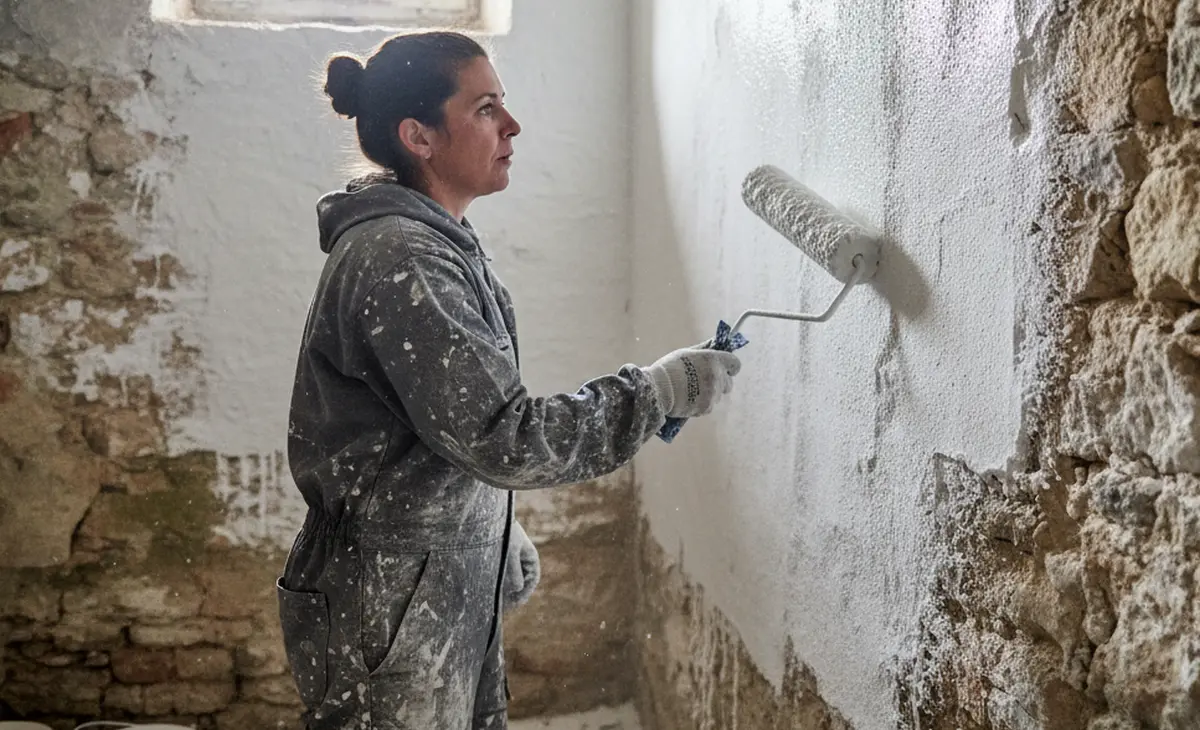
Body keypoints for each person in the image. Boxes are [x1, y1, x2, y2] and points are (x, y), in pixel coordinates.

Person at [277, 31, 742, 730]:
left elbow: (446, 426)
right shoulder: (405, 258)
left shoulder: (435, 241)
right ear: (419, 137)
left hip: (422, 585)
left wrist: (488, 522)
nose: (513, 125)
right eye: (486, 108)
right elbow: (507, 437)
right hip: (389, 605)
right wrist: (657, 393)